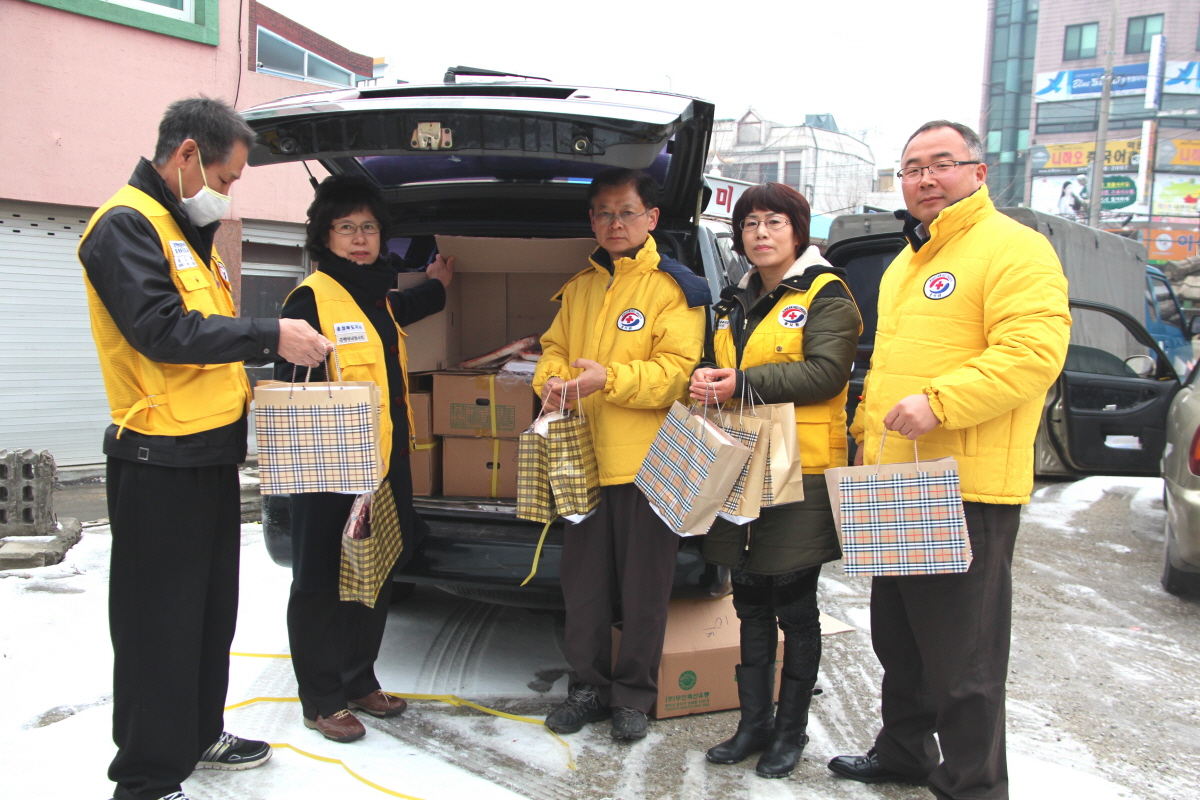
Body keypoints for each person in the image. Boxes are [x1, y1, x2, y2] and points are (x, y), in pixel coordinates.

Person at [79, 97, 332, 800]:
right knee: (157, 625)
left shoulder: (183, 232)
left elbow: (205, 340)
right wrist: (269, 335)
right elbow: (162, 331)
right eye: (226, 179)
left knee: (208, 616)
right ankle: (147, 777)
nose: (227, 194)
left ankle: (196, 734)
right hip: (157, 462)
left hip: (209, 455)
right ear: (187, 155)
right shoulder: (124, 225)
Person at [828, 121, 1071, 800]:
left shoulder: (1014, 248)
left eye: (941, 163)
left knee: (965, 659)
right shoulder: (908, 262)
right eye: (912, 168)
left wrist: (942, 401)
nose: (925, 178)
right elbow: (888, 367)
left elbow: (1032, 354)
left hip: (964, 486)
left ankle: (973, 786)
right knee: (901, 640)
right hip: (899, 478)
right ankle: (906, 751)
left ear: (978, 172)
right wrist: (863, 431)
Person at [532, 167, 710, 741]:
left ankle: (634, 695)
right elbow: (552, 348)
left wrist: (606, 379)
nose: (615, 223)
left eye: (627, 212)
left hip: (648, 463)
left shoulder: (676, 288)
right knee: (582, 587)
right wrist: (550, 380)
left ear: (651, 218)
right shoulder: (580, 288)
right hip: (581, 458)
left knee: (644, 590)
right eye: (604, 213)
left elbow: (676, 374)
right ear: (592, 221)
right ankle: (587, 688)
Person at [689, 183, 860, 778]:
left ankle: (790, 732)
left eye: (774, 222)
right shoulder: (733, 299)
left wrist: (741, 383)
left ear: (798, 230)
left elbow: (827, 373)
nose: (760, 233)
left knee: (793, 601)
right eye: (750, 224)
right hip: (739, 462)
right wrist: (704, 378)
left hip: (801, 467)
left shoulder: (826, 293)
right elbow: (718, 363)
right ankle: (753, 724)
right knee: (749, 599)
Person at [277, 174, 453, 743]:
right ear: (324, 236)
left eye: (369, 228)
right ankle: (322, 699)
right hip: (328, 469)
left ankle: (358, 679)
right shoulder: (310, 300)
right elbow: (291, 392)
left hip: (383, 465)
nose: (359, 239)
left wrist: (438, 285)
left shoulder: (377, 296)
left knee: (373, 574)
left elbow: (402, 308)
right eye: (346, 227)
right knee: (321, 581)